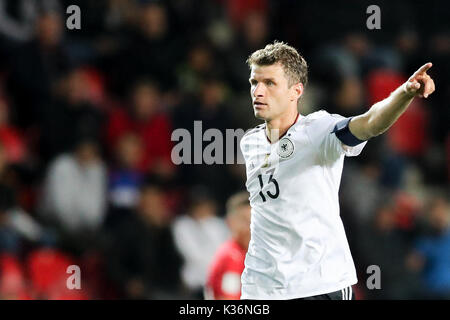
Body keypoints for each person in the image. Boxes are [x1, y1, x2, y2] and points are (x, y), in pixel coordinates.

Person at [239, 41, 435, 300]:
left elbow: (370, 122)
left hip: (318, 285)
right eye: (255, 82)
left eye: (269, 83)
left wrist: (404, 93)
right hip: (260, 288)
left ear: (295, 91)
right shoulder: (250, 142)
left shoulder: (319, 131)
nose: (258, 91)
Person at [205, 191, 251, 300]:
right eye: (244, 221)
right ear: (230, 222)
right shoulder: (231, 256)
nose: (249, 227)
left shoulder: (250, 253)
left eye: (252, 221)